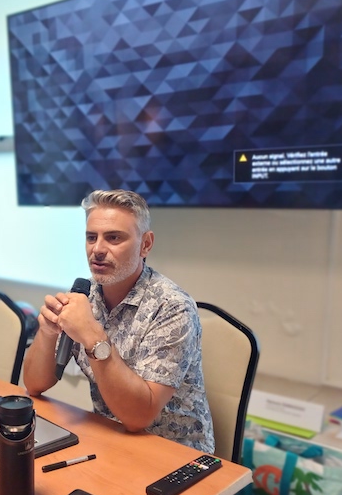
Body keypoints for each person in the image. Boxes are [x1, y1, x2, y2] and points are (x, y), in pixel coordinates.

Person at [23, 189, 214, 453]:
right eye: (91, 237)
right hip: (111, 438)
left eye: (113, 238)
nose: (98, 250)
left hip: (174, 454)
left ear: (145, 244)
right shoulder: (84, 294)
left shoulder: (173, 307)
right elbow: (34, 384)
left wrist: (93, 336)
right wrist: (47, 332)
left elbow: (139, 417)